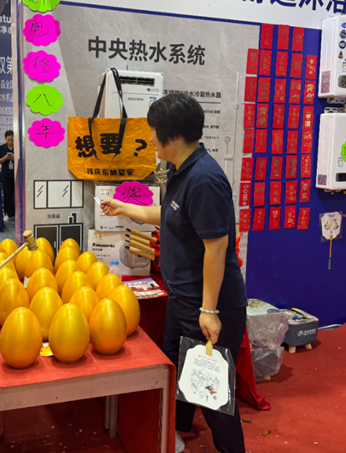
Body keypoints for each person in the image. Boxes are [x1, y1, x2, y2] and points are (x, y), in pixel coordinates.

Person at [101, 93, 248, 453]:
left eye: (154, 131)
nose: (150, 139)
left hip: (208, 304)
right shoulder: (181, 171)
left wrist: (209, 310)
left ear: (174, 135)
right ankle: (177, 429)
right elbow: (168, 214)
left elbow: (216, 248)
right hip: (183, 298)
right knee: (175, 365)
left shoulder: (205, 180)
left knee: (213, 394)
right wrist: (124, 207)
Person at [0, 129, 15, 222]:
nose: (10, 142)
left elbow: (22, 160)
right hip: (6, 175)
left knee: (17, 195)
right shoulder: (1, 148)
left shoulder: (18, 148)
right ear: (5, 139)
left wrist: (13, 157)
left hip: (16, 175)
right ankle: (8, 213)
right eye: (8, 140)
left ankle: (17, 213)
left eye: (12, 140)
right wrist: (6, 157)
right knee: (7, 195)